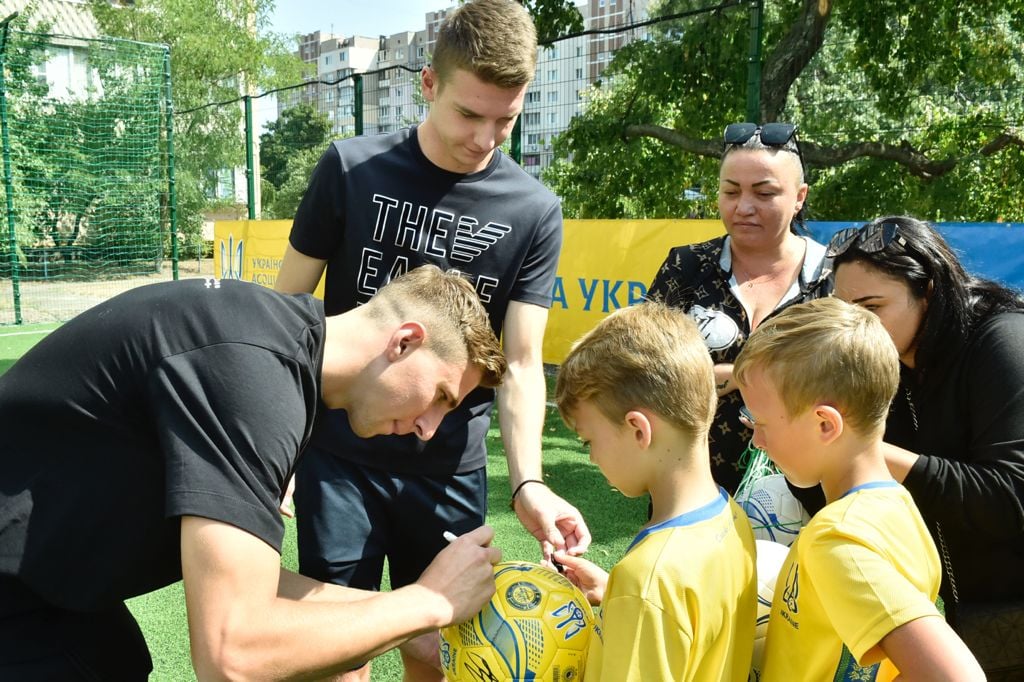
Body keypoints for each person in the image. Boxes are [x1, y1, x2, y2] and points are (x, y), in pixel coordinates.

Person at [274, 0, 590, 679]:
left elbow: (522, 363)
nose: (485, 137)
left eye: (506, 120)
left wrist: (529, 482)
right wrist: (278, 446)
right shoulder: (350, 169)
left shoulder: (534, 211)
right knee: (340, 643)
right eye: (469, 114)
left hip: (448, 464)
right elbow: (287, 318)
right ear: (428, 83)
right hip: (340, 454)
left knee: (440, 644)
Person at [0, 265, 508, 681]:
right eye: (441, 397)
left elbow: (247, 583)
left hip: (50, 586)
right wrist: (428, 604)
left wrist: (401, 623)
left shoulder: (277, 350)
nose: (428, 429)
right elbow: (233, 653)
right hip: (19, 594)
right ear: (405, 342)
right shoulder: (255, 380)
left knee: (115, 661)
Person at [733, 297, 985, 681]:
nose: (757, 442)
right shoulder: (900, 507)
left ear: (825, 425)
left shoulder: (837, 538)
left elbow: (956, 677)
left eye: (762, 424)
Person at [828, 215, 1024, 676]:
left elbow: (1011, 497)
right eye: (845, 309)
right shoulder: (880, 357)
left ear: (929, 291)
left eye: (871, 306)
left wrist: (862, 450)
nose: (856, 326)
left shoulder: (1003, 340)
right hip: (950, 632)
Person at [551, 302, 758, 681]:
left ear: (638, 430)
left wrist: (635, 598)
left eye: (588, 441)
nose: (592, 457)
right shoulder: (732, 516)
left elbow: (658, 595)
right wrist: (617, 596)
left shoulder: (649, 580)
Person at [647, 122, 832, 494]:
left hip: (810, 495)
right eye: (731, 191)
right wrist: (737, 375)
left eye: (764, 193)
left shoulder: (834, 277)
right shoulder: (686, 267)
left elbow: (863, 387)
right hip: (690, 492)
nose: (744, 207)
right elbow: (640, 368)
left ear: (799, 197)